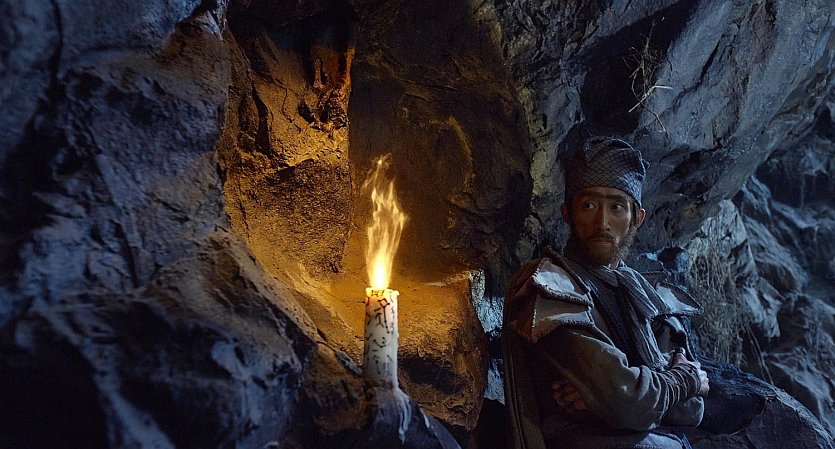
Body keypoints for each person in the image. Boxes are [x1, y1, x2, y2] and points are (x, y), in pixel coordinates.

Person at [503, 137, 710, 449]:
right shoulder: (550, 288)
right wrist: (682, 380)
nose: (602, 222)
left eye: (616, 207)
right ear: (567, 213)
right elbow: (628, 403)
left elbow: (693, 409)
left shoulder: (642, 295)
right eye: (588, 206)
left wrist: (606, 399)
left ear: (637, 218)